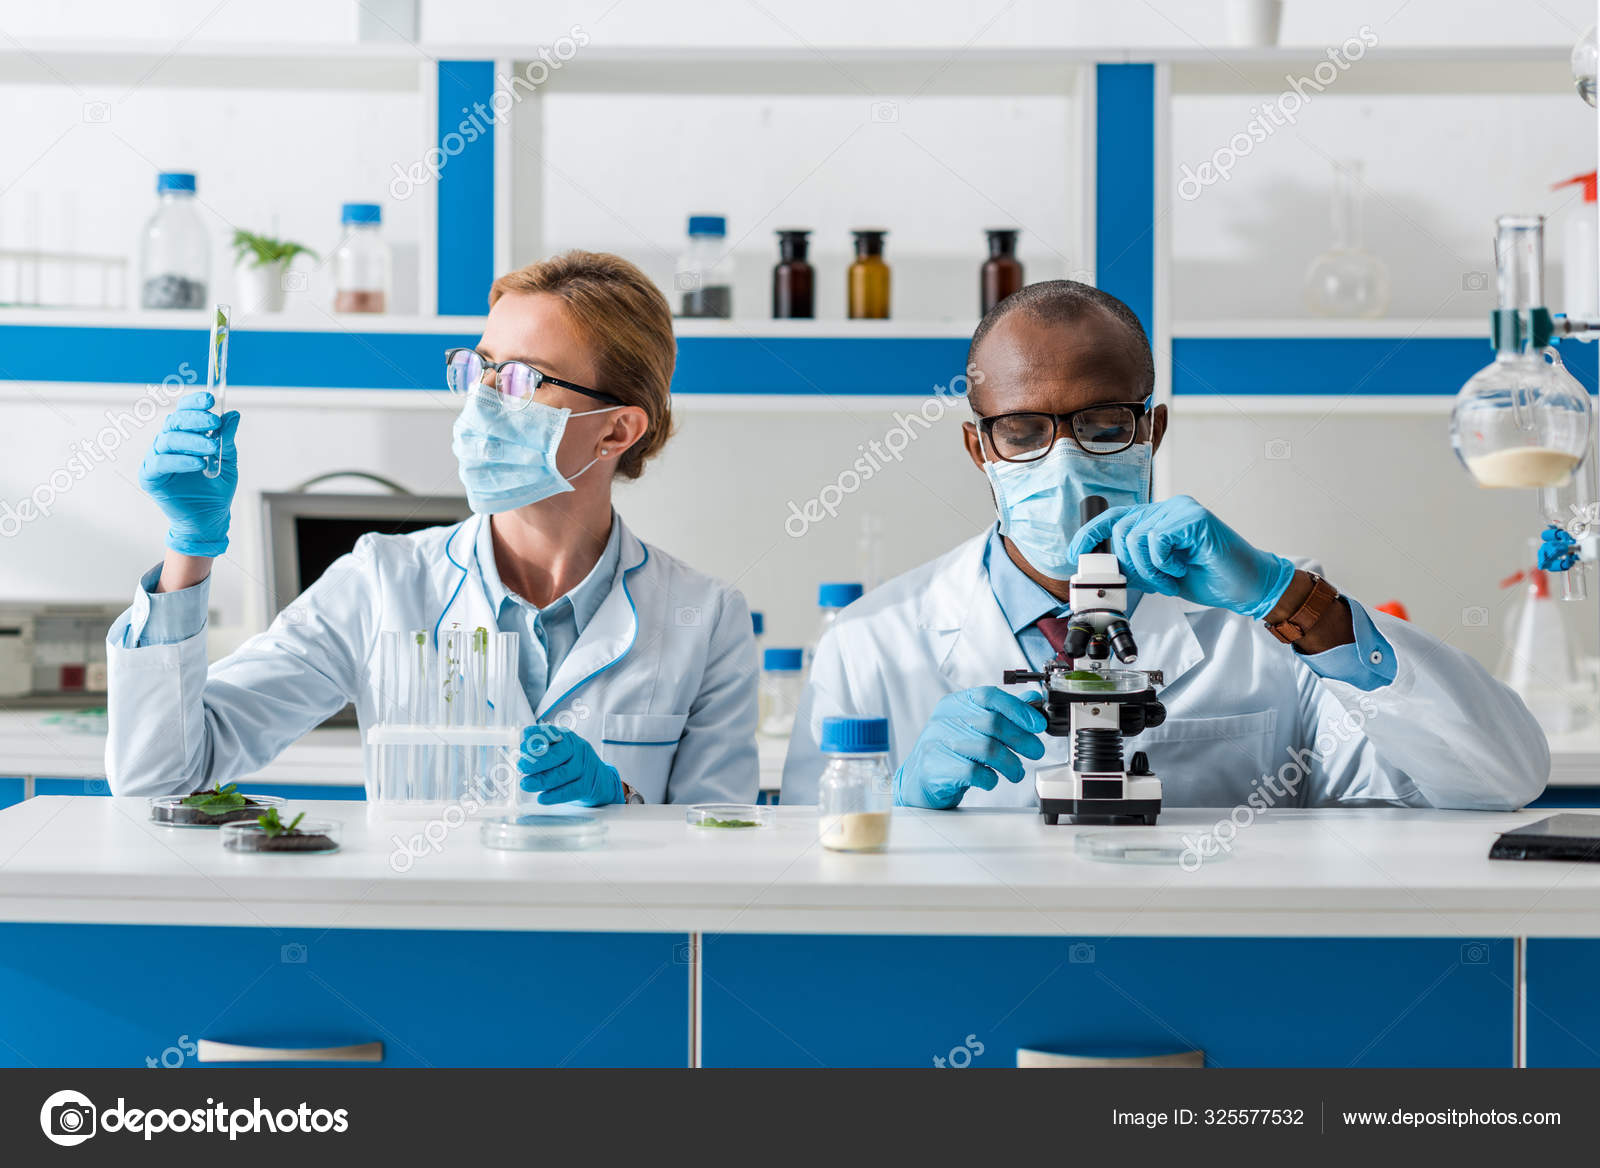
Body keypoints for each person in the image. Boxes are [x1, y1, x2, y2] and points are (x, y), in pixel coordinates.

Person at [783, 280, 1547, 811]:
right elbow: (801, 873)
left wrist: (1288, 600)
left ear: (1152, 430)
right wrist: (904, 802)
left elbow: (1500, 779)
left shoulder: (1277, 622)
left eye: (1104, 422)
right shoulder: (872, 642)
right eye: (1022, 430)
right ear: (979, 448)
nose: (1066, 458)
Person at [108, 250, 758, 805]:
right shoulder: (380, 583)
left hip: (619, 949)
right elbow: (160, 778)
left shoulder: (705, 618)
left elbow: (723, 853)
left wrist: (621, 803)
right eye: (479, 367)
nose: (482, 399)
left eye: (523, 379)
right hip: (419, 945)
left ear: (617, 429)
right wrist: (187, 550)